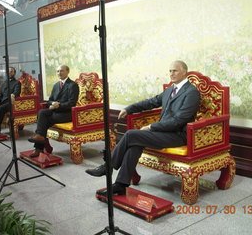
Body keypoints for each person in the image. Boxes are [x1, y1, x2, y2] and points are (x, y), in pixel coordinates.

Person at [85, 60, 201, 196]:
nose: (171, 74)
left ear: (184, 72)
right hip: (163, 132)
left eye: (174, 71)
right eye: (170, 71)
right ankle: (120, 185)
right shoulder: (170, 89)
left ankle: (108, 167)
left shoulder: (191, 92)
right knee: (135, 144)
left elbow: (179, 120)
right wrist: (129, 109)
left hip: (178, 135)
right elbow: (151, 102)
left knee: (131, 135)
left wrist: (151, 126)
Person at [28, 65, 79, 157]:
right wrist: (52, 103)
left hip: (67, 113)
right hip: (56, 110)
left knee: (44, 120)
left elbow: (72, 103)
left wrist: (59, 105)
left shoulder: (73, 85)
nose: (59, 73)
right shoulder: (56, 85)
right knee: (41, 112)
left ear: (68, 72)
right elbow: (50, 100)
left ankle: (38, 147)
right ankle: (40, 138)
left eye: (62, 71)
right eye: (58, 71)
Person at [0, 67, 21, 137]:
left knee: (1, 108)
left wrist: (13, 95)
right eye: (8, 72)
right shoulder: (4, 83)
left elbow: (17, 92)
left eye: (11, 71)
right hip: (2, 102)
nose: (9, 73)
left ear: (14, 73)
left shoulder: (17, 83)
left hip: (11, 103)